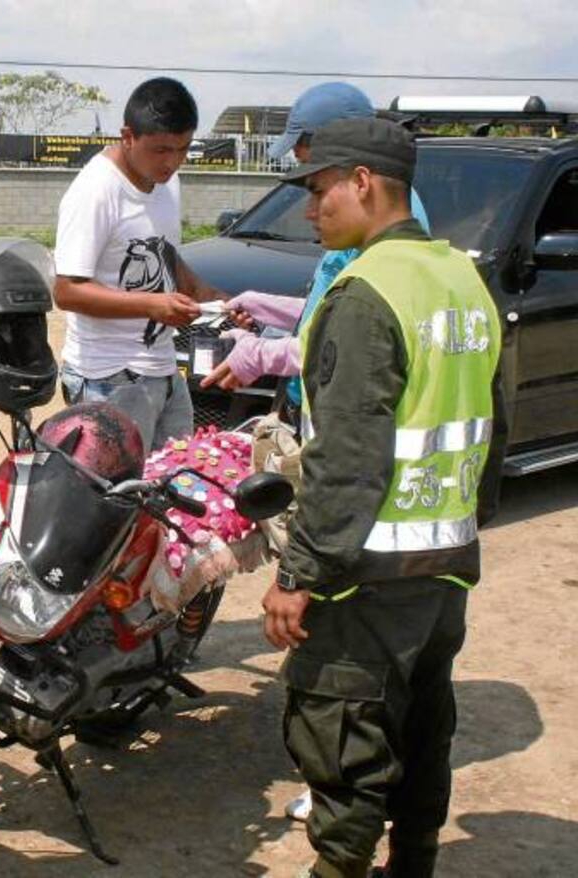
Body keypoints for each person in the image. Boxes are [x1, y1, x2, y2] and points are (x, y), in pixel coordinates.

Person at [260, 117, 506, 878]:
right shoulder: (462, 278)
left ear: (362, 182)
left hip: (367, 574)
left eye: (318, 188)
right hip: (445, 564)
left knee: (345, 746)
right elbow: (491, 419)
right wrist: (468, 520)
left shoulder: (367, 294)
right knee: (422, 733)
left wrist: (299, 574)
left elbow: (348, 460)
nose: (310, 208)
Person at [201, 83, 429, 407]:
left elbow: (349, 338)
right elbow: (331, 313)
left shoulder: (385, 231)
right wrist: (267, 307)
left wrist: (262, 355)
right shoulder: (363, 220)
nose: (310, 211)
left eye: (317, 190)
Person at [54, 76, 224, 451]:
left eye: (182, 149)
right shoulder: (96, 191)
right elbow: (66, 291)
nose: (172, 162)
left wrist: (208, 295)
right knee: (116, 501)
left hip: (162, 370)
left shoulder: (165, 182)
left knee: (177, 484)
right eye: (161, 150)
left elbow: (163, 250)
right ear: (127, 136)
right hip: (107, 378)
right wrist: (152, 304)